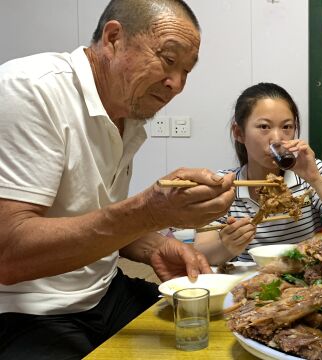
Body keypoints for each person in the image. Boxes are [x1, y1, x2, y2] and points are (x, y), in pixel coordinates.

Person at [0, 1, 236, 358]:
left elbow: (89, 215)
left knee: (218, 330)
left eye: (187, 71)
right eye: (169, 60)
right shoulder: (30, 90)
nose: (177, 84)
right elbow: (9, 255)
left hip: (104, 292)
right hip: (28, 310)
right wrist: (149, 212)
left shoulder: (129, 115)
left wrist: (152, 245)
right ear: (113, 38)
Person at [195, 82, 322, 264]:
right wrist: (227, 246)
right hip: (247, 284)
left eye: (286, 127)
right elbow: (201, 254)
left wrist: (315, 179)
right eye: (264, 127)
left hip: (305, 280)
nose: (277, 138)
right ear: (239, 133)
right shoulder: (224, 184)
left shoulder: (314, 173)